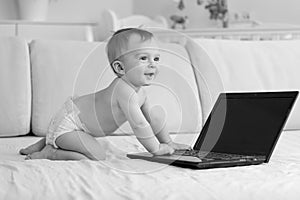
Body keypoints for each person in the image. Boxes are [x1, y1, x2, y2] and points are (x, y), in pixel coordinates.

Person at [19, 28, 190, 161]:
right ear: (120, 68)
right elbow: (139, 124)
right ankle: (51, 152)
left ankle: (43, 142)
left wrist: (168, 142)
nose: (152, 64)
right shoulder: (124, 90)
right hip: (69, 124)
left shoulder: (141, 93)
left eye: (156, 59)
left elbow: (151, 119)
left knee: (156, 114)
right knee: (97, 155)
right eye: (144, 58)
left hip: (73, 117)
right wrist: (155, 149)